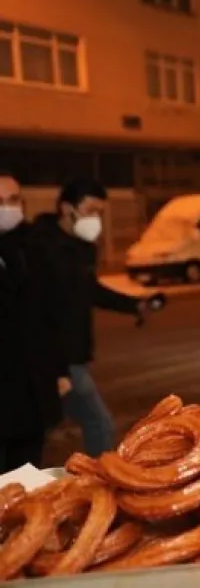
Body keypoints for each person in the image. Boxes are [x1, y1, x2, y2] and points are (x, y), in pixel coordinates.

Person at [31, 178, 156, 457]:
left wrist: (133, 305)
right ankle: (100, 483)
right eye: (90, 210)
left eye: (100, 212)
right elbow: (38, 310)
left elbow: (90, 291)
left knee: (43, 427)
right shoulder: (39, 247)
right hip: (52, 358)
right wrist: (59, 368)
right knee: (97, 421)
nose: (96, 219)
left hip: (73, 357)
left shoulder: (83, 248)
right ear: (67, 208)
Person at [0, 174, 67, 470]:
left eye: (13, 200)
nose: (7, 208)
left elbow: (50, 313)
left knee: (26, 473)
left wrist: (60, 370)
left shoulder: (33, 248)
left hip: (30, 391)